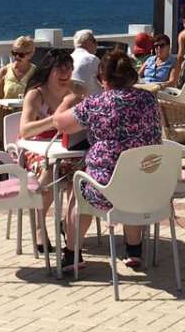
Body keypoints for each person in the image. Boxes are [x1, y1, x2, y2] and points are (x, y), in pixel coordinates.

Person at [47, 51, 164, 270]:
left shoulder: (96, 103)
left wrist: (67, 100)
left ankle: (72, 254)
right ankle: (134, 250)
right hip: (149, 185)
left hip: (107, 189)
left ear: (103, 79)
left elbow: (60, 123)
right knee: (132, 179)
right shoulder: (149, 99)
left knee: (78, 187)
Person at [18, 49, 83, 262]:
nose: (65, 73)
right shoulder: (36, 94)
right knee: (51, 169)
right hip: (37, 151)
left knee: (81, 175)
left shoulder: (75, 91)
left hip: (68, 149)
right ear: (49, 70)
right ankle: (39, 225)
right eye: (60, 69)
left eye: (69, 69)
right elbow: (25, 130)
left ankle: (69, 228)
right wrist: (55, 120)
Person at [0, 36, 36, 101]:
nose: (17, 57)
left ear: (30, 54)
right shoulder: (4, 71)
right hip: (6, 107)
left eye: (21, 55)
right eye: (14, 53)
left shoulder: (35, 72)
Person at [71, 30, 102, 96]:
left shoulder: (70, 58)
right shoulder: (92, 58)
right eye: (94, 41)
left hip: (74, 97)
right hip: (93, 98)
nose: (96, 44)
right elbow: (105, 79)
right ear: (87, 42)